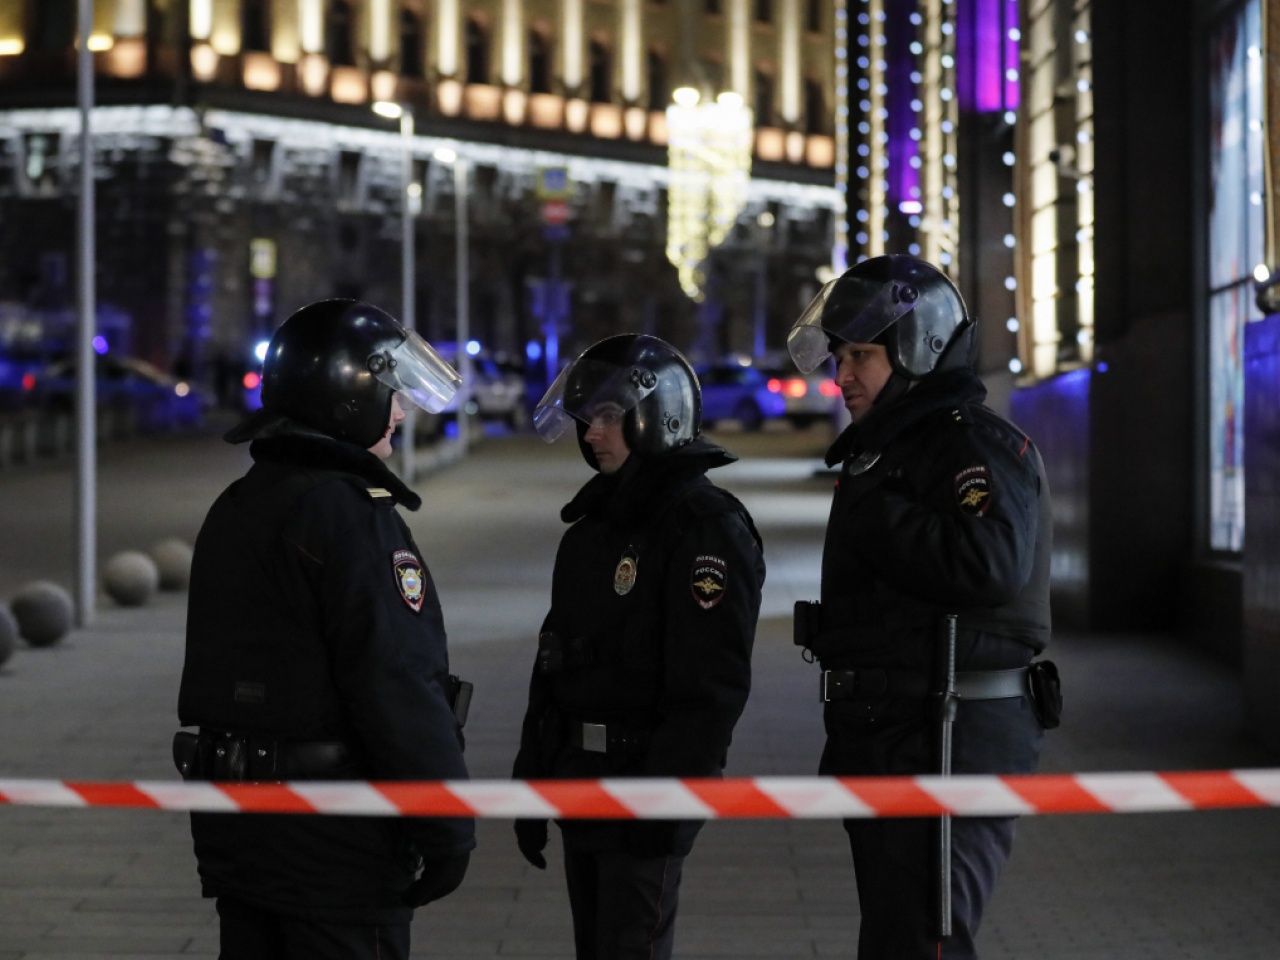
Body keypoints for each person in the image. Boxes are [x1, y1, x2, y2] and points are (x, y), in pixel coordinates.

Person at [174, 298, 475, 960]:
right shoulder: (349, 516)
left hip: (241, 832)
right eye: (392, 392)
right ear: (348, 393)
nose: (401, 410)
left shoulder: (242, 501)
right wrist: (447, 822)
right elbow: (396, 680)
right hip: (336, 845)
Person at [786, 255, 1060, 960]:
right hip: (892, 730)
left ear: (918, 349)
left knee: (922, 941)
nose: (842, 376)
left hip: (951, 729)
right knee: (895, 938)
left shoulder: (967, 442)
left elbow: (988, 564)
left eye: (862, 356)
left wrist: (880, 512)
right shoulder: (891, 449)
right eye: (840, 357)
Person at [512, 334, 766, 960]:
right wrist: (534, 774)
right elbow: (554, 661)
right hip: (581, 782)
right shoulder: (596, 525)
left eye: (605, 417)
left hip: (643, 787)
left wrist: (672, 801)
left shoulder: (703, 525)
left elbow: (711, 688)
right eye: (587, 419)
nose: (592, 434)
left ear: (656, 415)